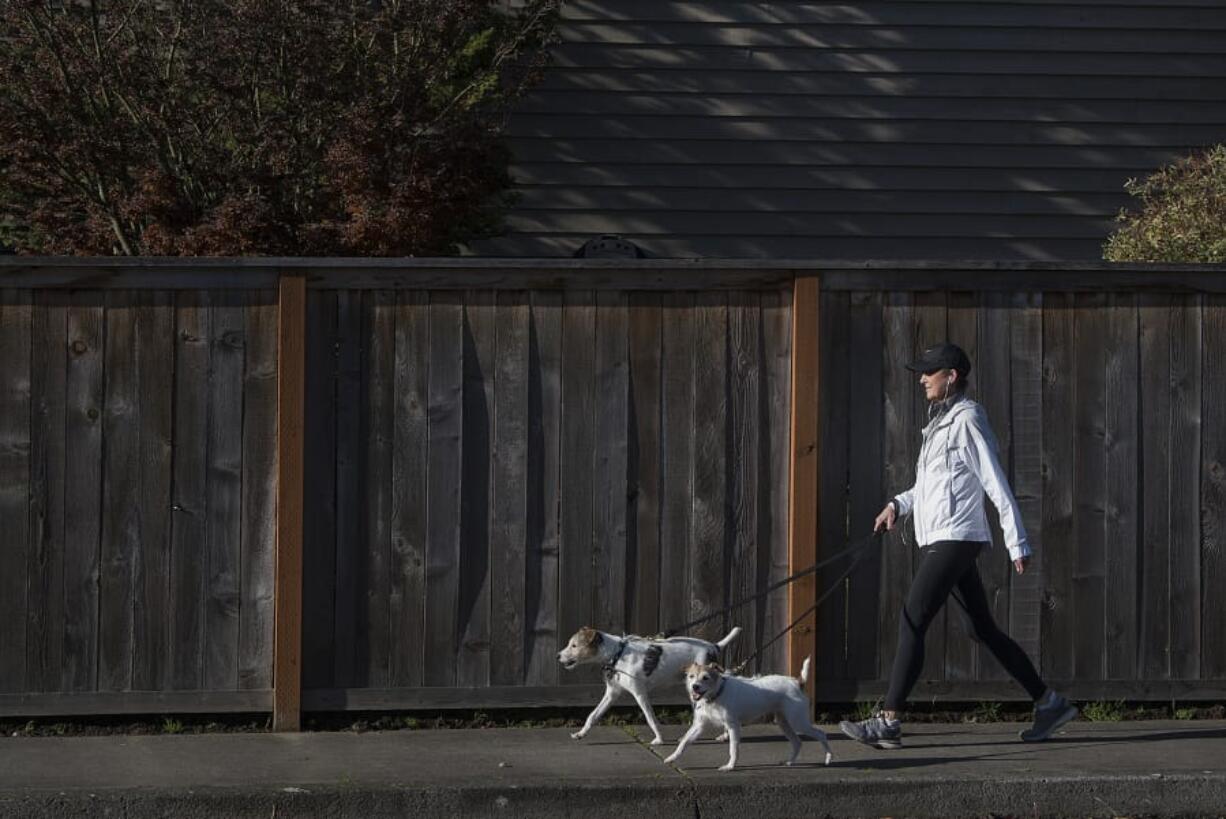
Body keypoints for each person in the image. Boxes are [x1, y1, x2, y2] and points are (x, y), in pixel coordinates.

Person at [840, 342, 1077, 749]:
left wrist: (1016, 540)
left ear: (952, 376)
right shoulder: (939, 424)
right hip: (944, 535)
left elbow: (993, 479)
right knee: (981, 628)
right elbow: (928, 486)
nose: (922, 378)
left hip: (956, 536)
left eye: (930, 372)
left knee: (913, 616)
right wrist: (898, 504)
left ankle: (889, 721)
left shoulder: (968, 419)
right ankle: (1049, 702)